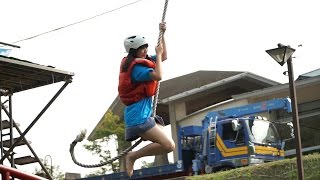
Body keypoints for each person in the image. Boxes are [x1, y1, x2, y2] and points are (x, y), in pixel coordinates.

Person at [118, 22, 175, 177]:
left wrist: (162, 34)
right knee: (169, 145)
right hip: (138, 118)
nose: (145, 51)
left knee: (167, 144)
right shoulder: (136, 69)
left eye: (145, 47)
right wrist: (159, 51)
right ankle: (132, 156)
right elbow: (158, 75)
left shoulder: (145, 60)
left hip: (142, 116)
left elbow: (164, 56)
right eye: (141, 49)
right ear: (133, 51)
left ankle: (133, 156)